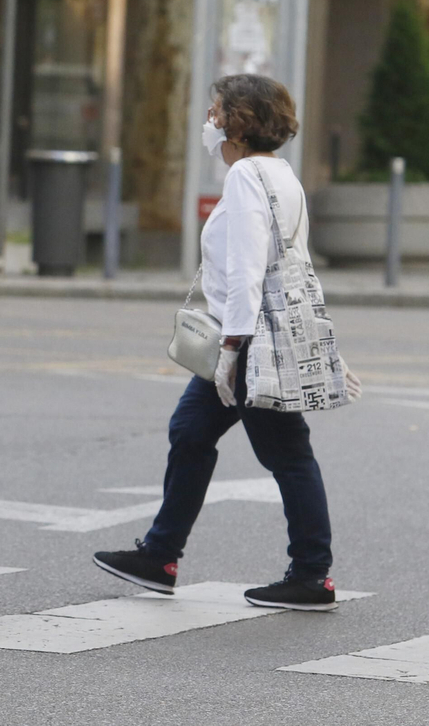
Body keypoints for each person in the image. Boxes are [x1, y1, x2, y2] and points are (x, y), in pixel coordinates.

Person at [94, 74, 337, 610]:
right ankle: (160, 555)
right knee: (190, 431)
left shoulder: (248, 177)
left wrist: (232, 352)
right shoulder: (281, 174)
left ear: (238, 123)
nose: (209, 120)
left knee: (288, 453)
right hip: (251, 336)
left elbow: (251, 267)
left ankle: (312, 575)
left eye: (216, 111)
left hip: (247, 341)